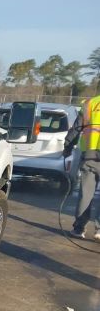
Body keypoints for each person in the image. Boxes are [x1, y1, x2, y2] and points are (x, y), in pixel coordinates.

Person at [63, 96, 100, 240]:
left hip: (89, 155)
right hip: (90, 156)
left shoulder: (89, 103)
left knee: (86, 193)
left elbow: (76, 129)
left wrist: (68, 146)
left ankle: (79, 229)